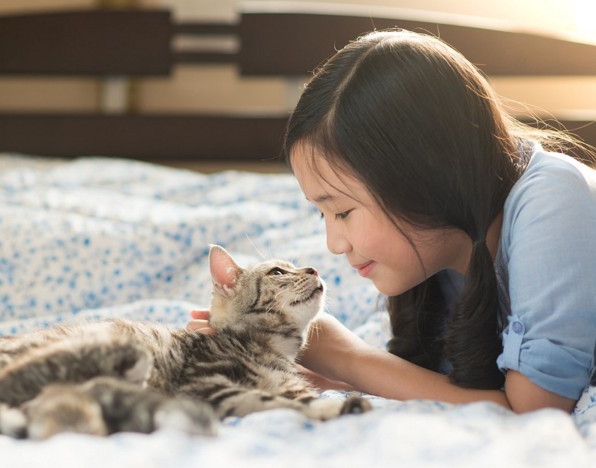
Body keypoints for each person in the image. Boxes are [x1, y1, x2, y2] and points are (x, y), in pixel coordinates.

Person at [188, 29, 596, 414]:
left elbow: (534, 411)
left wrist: (346, 356)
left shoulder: (554, 203)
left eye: (343, 212)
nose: (334, 243)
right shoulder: (445, 251)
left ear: (425, 176)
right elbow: (463, 388)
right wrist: (333, 377)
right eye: (322, 214)